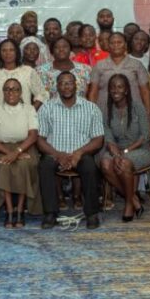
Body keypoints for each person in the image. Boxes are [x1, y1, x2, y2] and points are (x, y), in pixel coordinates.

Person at [37, 71, 104, 229]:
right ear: (57, 87)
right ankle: (50, 213)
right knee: (44, 165)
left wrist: (78, 153)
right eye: (61, 83)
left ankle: (92, 213)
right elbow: (40, 139)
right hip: (54, 153)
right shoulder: (46, 108)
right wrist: (57, 155)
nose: (65, 87)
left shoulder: (91, 108)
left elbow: (98, 139)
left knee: (89, 166)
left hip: (82, 153)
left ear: (76, 85)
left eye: (69, 83)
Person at [0, 78, 41, 227]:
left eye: (15, 89)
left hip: (25, 146)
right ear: (3, 92)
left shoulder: (29, 109)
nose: (11, 92)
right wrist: (9, 153)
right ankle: (10, 211)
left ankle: (20, 210)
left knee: (24, 165)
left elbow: (33, 136)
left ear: (20, 92)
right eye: (7, 89)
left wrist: (17, 152)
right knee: (4, 165)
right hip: (1, 147)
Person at [99, 74, 150, 222]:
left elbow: (145, 136)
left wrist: (125, 153)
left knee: (124, 163)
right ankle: (133, 199)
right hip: (117, 149)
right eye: (112, 87)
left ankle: (128, 204)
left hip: (140, 149)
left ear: (126, 90)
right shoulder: (107, 110)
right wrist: (116, 154)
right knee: (105, 163)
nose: (115, 90)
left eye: (120, 87)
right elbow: (108, 138)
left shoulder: (137, 107)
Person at [88, 32, 150, 115]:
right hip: (105, 113)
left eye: (119, 42)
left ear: (125, 45)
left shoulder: (137, 65)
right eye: (112, 43)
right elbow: (93, 92)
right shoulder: (99, 66)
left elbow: (145, 91)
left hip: (133, 113)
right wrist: (92, 113)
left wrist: (148, 113)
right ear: (108, 46)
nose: (116, 45)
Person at [0, 39, 48, 109]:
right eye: (4, 50)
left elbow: (41, 94)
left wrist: (31, 111)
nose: (8, 53)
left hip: (24, 114)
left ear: (17, 52)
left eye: (11, 50)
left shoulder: (28, 71)